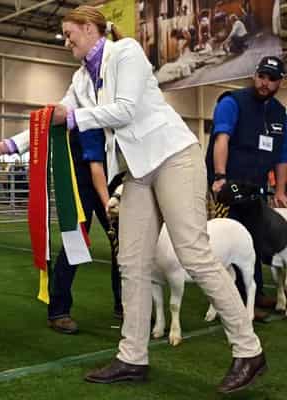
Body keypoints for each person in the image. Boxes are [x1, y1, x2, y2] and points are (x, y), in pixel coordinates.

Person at [43, 5, 265, 394]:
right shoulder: (81, 78)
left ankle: (249, 351)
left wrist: (73, 119)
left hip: (174, 156)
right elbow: (58, 115)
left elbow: (125, 110)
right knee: (131, 262)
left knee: (193, 253)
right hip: (138, 171)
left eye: (69, 32)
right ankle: (132, 357)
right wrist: (4, 144)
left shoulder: (126, 52)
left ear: (90, 28)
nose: (67, 40)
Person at [0, 128, 124, 331]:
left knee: (123, 243)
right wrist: (107, 204)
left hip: (110, 177)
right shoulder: (85, 107)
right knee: (75, 243)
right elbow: (95, 165)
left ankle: (124, 303)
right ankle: (59, 311)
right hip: (81, 179)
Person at [206, 56, 287, 321]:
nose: (265, 83)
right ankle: (233, 300)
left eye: (272, 79)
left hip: (256, 188)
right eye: (262, 76)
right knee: (228, 242)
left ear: (280, 82)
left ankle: (254, 292)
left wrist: (281, 191)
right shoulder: (233, 102)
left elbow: (282, 156)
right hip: (229, 185)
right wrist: (219, 177)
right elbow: (222, 138)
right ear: (255, 75)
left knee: (254, 238)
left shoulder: (278, 112)